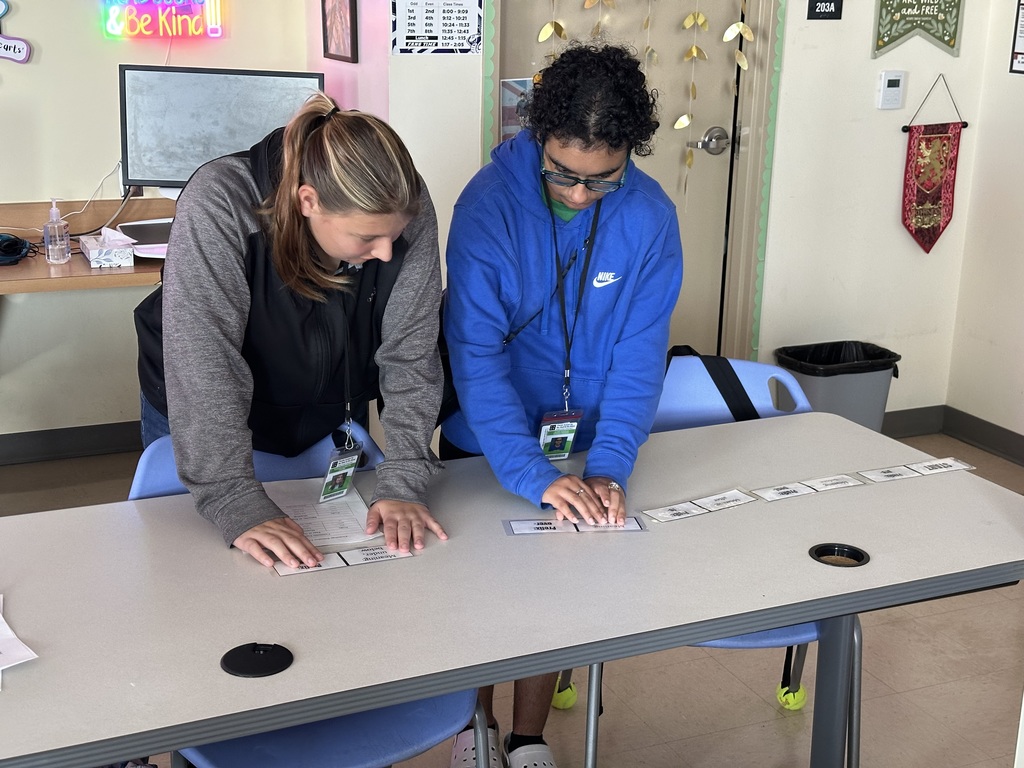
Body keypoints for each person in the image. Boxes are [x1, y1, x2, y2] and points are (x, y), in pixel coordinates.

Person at [441, 42, 683, 768]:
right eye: (563, 176)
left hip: (586, 436)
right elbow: (475, 357)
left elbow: (642, 357)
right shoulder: (486, 206)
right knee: (486, 598)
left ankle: (527, 738)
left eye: (601, 181)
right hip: (486, 438)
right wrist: (529, 471)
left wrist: (607, 466)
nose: (578, 195)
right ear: (539, 135)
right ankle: (473, 730)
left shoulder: (650, 218)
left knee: (553, 598)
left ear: (629, 156)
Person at [134, 93, 447, 570]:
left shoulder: (405, 205)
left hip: (330, 408)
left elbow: (411, 353)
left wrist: (403, 478)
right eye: (367, 238)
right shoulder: (222, 201)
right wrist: (234, 499)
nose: (386, 254)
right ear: (308, 201)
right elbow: (205, 363)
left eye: (394, 236)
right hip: (207, 416)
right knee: (195, 577)